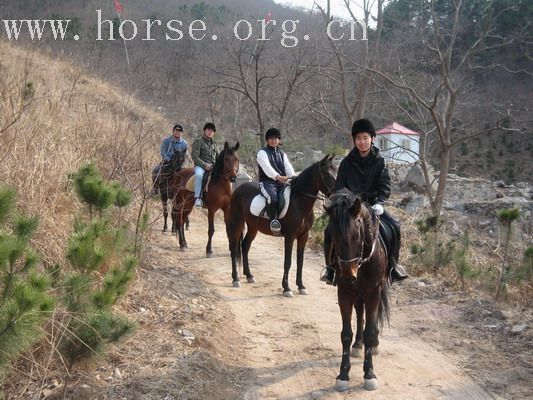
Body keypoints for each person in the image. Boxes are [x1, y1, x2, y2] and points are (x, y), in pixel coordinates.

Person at [322, 118, 408, 284]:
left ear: (372, 139)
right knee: (328, 231)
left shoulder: (380, 161)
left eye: (365, 138)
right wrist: (342, 203)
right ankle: (330, 269)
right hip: (350, 208)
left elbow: (385, 185)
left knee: (395, 227)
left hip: (372, 206)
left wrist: (380, 202)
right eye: (358, 139)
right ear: (354, 140)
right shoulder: (347, 162)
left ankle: (392, 268)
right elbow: (340, 186)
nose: (361, 142)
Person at [257, 128, 296, 234]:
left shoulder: (282, 154)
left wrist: (293, 177)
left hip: (282, 182)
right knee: (273, 198)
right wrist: (278, 176)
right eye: (271, 138)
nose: (273, 140)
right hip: (267, 183)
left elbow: (288, 167)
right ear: (267, 140)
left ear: (279, 140)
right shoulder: (262, 153)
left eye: (276, 138)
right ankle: (274, 221)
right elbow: (267, 168)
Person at [152, 123, 188, 195]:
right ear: (173, 131)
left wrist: (181, 161)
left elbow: (184, 154)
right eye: (176, 130)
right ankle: (155, 187)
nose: (178, 132)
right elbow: (163, 151)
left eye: (179, 131)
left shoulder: (184, 143)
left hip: (178, 164)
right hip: (167, 162)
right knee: (156, 170)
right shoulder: (166, 141)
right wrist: (168, 159)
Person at [191, 122, 219, 208]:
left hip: (213, 167)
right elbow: (195, 156)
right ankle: (198, 198)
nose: (210, 132)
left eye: (212, 130)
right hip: (201, 166)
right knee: (199, 175)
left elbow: (218, 157)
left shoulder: (215, 144)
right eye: (208, 130)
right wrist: (205, 165)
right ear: (204, 131)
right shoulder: (198, 141)